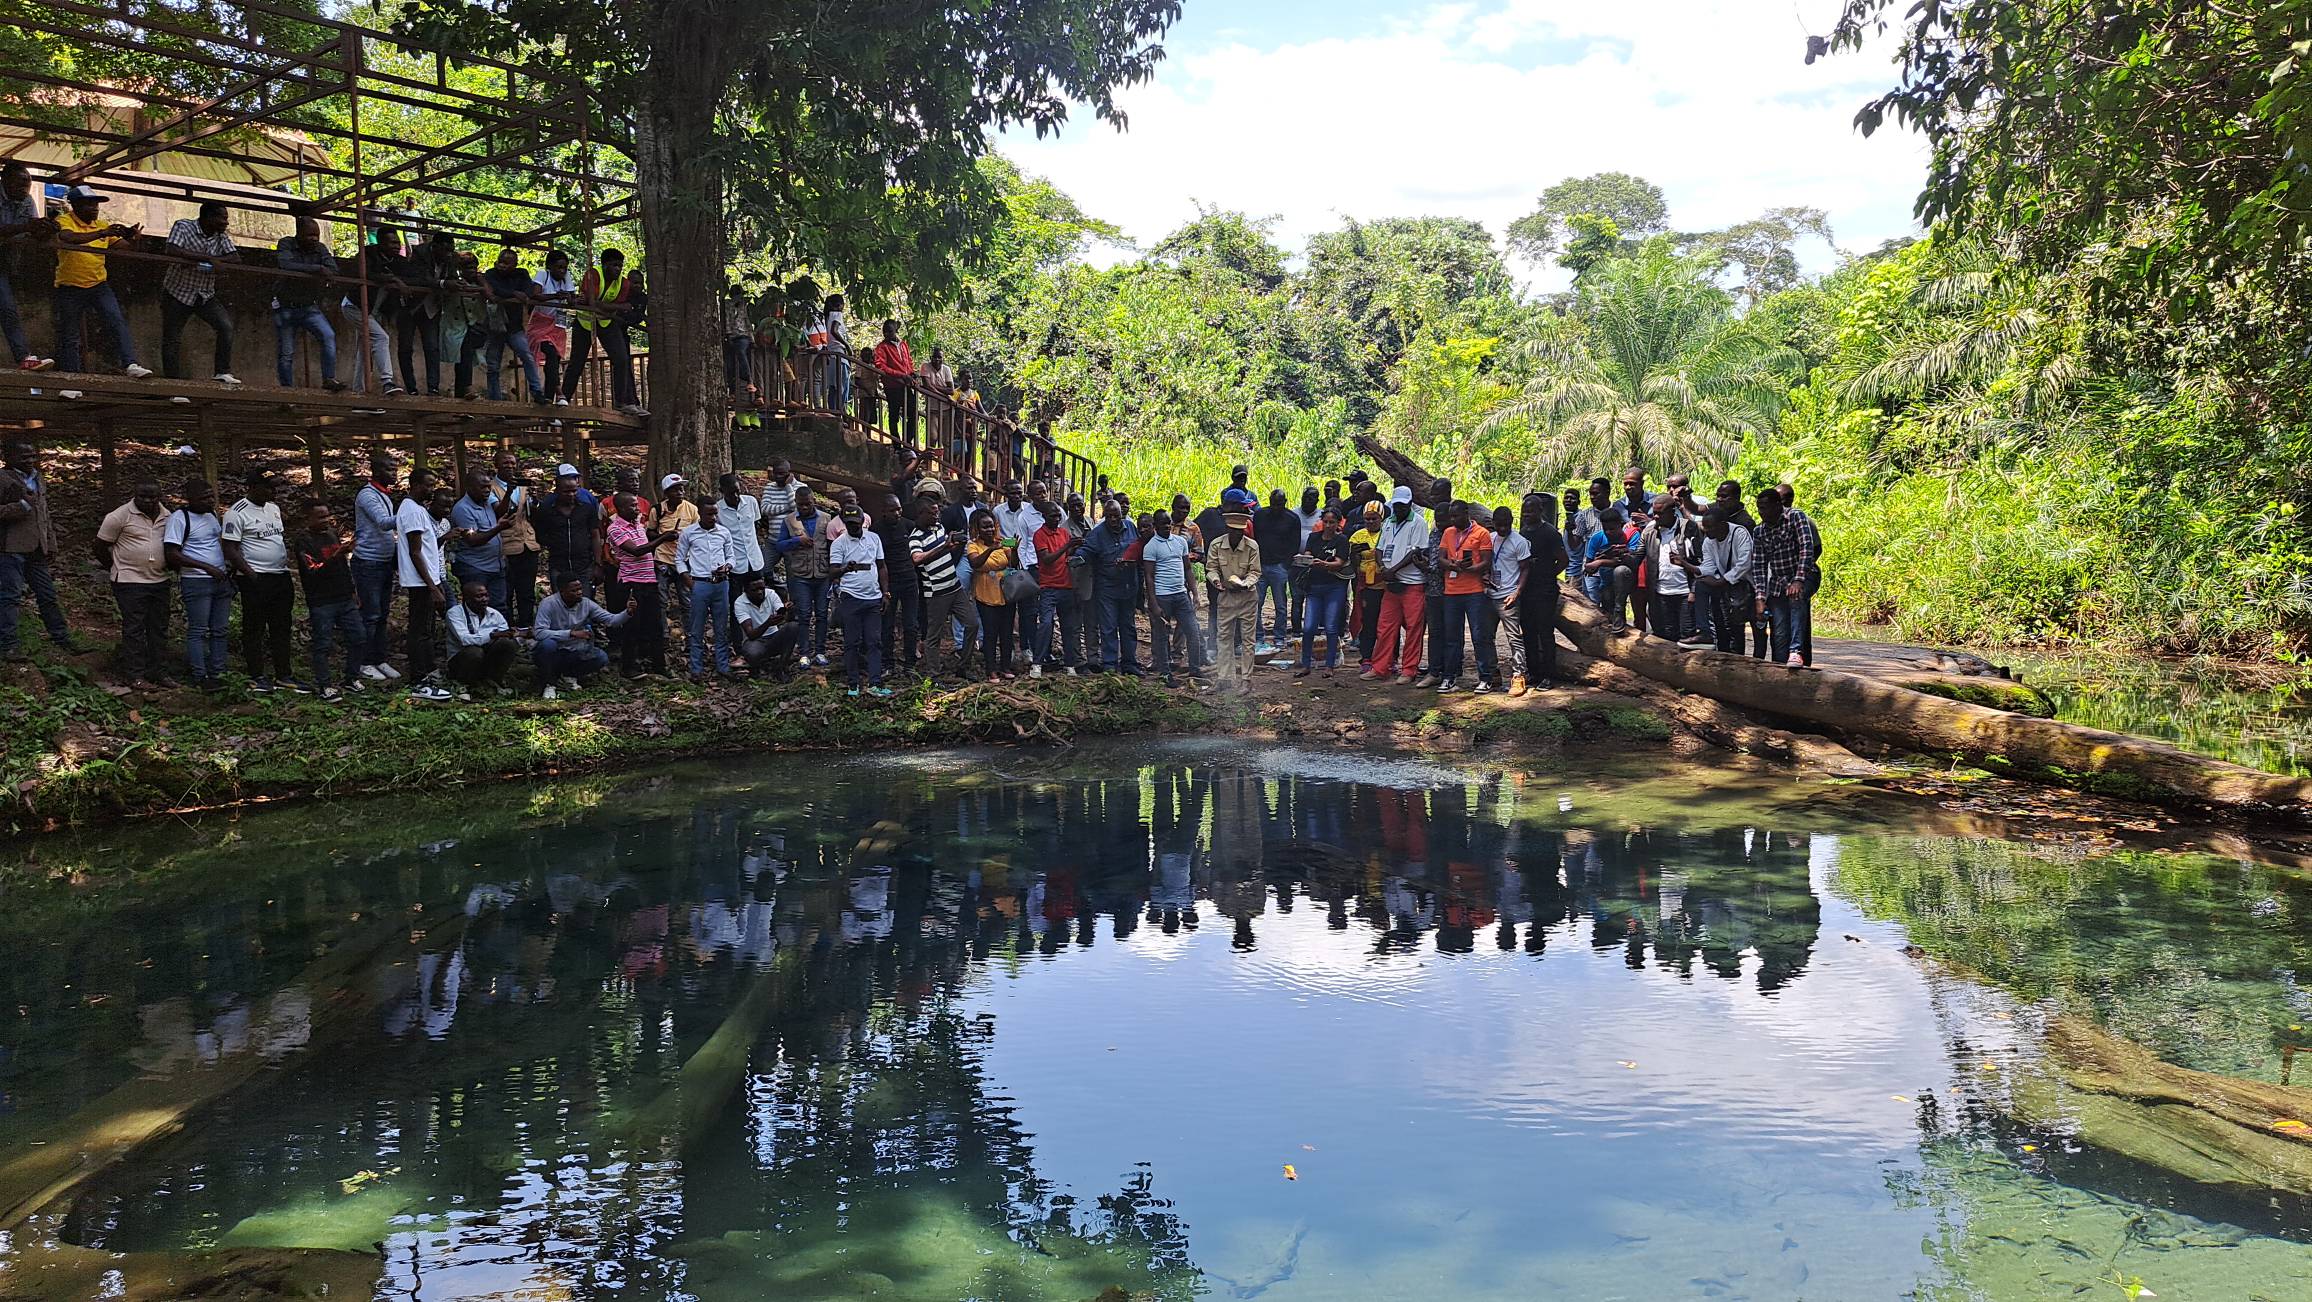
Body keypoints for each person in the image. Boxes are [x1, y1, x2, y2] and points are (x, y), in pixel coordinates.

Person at [51, 185, 149, 377]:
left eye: (96, 204)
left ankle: (130, 364)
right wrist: (101, 234)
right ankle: (72, 376)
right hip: (70, 286)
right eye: (89, 204)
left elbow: (124, 248)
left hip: (98, 285)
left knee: (116, 322)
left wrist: (134, 238)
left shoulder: (102, 225)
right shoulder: (64, 221)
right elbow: (69, 237)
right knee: (70, 334)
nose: (95, 208)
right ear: (76, 206)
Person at [222, 470, 297, 692]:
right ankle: (257, 674)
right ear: (253, 486)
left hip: (280, 576)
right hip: (255, 578)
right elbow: (229, 548)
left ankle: (284, 674)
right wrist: (251, 575)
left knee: (281, 626)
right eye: (268, 487)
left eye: (274, 487)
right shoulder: (236, 513)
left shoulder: (273, 508)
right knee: (254, 628)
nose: (273, 491)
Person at [0, 439, 75, 660]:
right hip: (9, 548)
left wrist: (50, 542)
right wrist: (22, 507)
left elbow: (44, 514)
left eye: (33, 456)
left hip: (37, 549)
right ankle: (8, 646)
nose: (30, 460)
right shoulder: (2, 479)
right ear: (8, 456)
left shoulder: (38, 478)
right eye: (24, 457)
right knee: (10, 597)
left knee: (48, 595)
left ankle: (62, 638)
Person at [93, 479, 171, 686]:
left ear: (159, 496)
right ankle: (134, 674)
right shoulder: (119, 516)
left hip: (159, 580)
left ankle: (158, 672)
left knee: (159, 628)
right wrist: (115, 565)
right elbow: (100, 546)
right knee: (134, 628)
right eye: (142, 496)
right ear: (134, 495)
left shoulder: (168, 516)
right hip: (129, 581)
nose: (147, 501)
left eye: (152, 497)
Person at [158, 200, 240, 383]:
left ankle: (222, 372)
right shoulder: (184, 226)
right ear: (208, 217)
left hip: (204, 294)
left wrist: (208, 262)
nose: (225, 223)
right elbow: (172, 249)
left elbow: (235, 258)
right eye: (221, 218)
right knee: (172, 338)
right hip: (177, 292)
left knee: (225, 327)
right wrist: (210, 259)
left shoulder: (220, 236)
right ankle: (173, 383)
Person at [161, 477, 231, 690]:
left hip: (220, 579)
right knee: (198, 629)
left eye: (211, 496)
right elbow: (172, 553)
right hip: (196, 580)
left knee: (220, 629)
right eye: (203, 498)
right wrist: (206, 567)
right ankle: (200, 675)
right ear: (189, 499)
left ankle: (218, 672)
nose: (209, 501)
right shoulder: (179, 518)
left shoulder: (211, 515)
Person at [294, 501, 364, 701]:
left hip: (344, 598)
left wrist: (352, 590)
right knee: (323, 644)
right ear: (308, 518)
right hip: (321, 601)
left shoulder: (332, 534)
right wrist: (335, 555)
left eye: (327, 515)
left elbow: (343, 566)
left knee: (358, 636)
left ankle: (351, 678)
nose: (326, 520)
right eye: (320, 517)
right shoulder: (303, 541)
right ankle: (324, 685)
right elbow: (312, 571)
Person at [564, 248, 645, 414]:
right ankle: (564, 397)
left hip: (606, 323)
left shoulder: (623, 283)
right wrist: (610, 306)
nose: (618, 269)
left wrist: (605, 306)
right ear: (605, 264)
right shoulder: (593, 275)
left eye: (620, 266)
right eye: (614, 265)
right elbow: (594, 303)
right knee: (577, 362)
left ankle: (621, 401)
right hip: (585, 323)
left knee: (622, 359)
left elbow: (623, 305)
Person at [397, 474, 455, 700]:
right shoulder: (412, 511)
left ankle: (426, 673)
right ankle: (419, 681)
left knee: (425, 630)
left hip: (428, 580)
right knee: (420, 631)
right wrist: (432, 586)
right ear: (415, 485)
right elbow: (415, 551)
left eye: (433, 484)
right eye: (428, 484)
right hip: (421, 582)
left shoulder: (416, 508)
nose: (432, 489)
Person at [271, 216, 345, 391]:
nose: (314, 239)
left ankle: (328, 378)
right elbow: (285, 264)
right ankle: (287, 390)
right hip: (286, 306)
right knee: (286, 352)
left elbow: (333, 269)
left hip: (308, 305)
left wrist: (320, 270)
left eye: (316, 235)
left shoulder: (320, 249)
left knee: (328, 336)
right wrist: (317, 269)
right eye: (310, 235)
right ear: (299, 234)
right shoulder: (286, 243)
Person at [908, 492, 977, 680]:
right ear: (921, 514)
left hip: (954, 587)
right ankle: (933, 674)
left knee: (972, 624)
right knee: (933, 636)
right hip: (936, 593)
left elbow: (944, 547)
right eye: (933, 513)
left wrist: (951, 545)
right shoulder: (915, 537)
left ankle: (963, 666)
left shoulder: (938, 527)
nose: (937, 516)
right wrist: (944, 548)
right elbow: (917, 558)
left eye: (938, 512)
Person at [1365, 486, 1429, 684]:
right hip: (1391, 584)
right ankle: (1380, 667)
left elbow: (1416, 552)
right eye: (1396, 505)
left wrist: (1395, 569)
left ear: (1410, 504)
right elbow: (1380, 549)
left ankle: (1409, 670)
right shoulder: (1389, 522)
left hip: (1412, 583)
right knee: (1385, 627)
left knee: (1413, 628)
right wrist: (1383, 567)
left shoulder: (1418, 523)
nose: (1399, 509)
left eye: (1402, 506)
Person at [532, 576, 634, 698]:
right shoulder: (548, 604)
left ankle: (569, 675)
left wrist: (627, 613)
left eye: (580, 589)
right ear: (562, 591)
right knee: (547, 644)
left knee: (601, 657)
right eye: (573, 591)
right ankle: (549, 684)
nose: (579, 593)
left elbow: (611, 620)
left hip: (574, 650)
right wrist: (570, 633)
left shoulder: (586, 603)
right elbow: (539, 633)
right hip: (554, 650)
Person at [1753, 488, 1822, 668]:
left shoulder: (1795, 517)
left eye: (1765, 508)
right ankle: (1780, 665)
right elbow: (1759, 566)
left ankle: (1797, 651)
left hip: (1805, 574)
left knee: (1796, 598)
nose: (1762, 513)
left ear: (1778, 506)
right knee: (1779, 631)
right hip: (1778, 582)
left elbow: (1807, 549)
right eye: (1759, 508)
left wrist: (1798, 580)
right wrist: (1760, 598)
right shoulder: (1760, 531)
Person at [1433, 500, 1494, 693]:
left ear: (1466, 513)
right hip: (1451, 591)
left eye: (1456, 516)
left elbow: (1486, 562)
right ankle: (1450, 677)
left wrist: (1469, 569)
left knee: (1479, 636)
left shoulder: (1481, 533)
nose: (1453, 520)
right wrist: (1452, 566)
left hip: (1474, 591)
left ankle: (1485, 677)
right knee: (1452, 637)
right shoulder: (1448, 532)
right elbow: (1440, 558)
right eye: (1451, 516)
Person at [1140, 507, 1206, 687]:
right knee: (1162, 636)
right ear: (1155, 526)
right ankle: (1165, 672)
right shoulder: (1151, 547)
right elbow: (1149, 576)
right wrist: (1153, 602)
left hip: (1180, 594)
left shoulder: (1180, 542)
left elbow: (1187, 569)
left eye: (1168, 524)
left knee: (1192, 631)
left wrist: (1195, 593)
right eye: (1162, 524)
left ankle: (1195, 669)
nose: (1167, 527)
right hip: (1162, 596)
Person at [605, 491, 668, 677]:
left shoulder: (638, 525)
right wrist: (662, 539)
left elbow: (645, 552)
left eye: (636, 504)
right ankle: (629, 667)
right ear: (621, 508)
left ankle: (659, 667)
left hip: (649, 581)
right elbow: (637, 551)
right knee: (632, 627)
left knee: (655, 627)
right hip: (631, 583)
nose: (637, 508)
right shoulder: (615, 529)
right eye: (632, 505)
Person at [676, 497, 740, 680]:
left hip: (721, 584)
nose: (713, 517)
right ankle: (696, 669)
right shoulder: (689, 533)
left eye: (715, 514)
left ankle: (722, 665)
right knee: (697, 628)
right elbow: (680, 558)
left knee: (721, 627)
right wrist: (688, 579)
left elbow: (731, 556)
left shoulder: (724, 532)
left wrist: (727, 567)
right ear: (700, 514)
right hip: (699, 584)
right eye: (709, 514)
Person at [351, 454, 402, 680]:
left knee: (382, 614)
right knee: (370, 615)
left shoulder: (385, 495)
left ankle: (379, 658)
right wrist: (412, 512)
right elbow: (383, 522)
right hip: (368, 562)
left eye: (395, 469)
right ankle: (364, 661)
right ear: (377, 471)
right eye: (390, 469)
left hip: (384, 562)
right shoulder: (367, 495)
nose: (395, 474)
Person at [830, 502, 889, 694]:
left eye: (856, 523)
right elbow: (832, 572)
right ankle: (853, 683)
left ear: (863, 521)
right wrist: (846, 569)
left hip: (873, 597)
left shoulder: (874, 538)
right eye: (849, 523)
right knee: (852, 642)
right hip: (851, 597)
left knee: (874, 641)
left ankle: (875, 682)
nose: (853, 526)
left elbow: (881, 566)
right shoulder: (839, 543)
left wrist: (885, 592)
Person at [772, 484, 835, 665]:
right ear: (796, 504)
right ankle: (804, 653)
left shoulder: (826, 518)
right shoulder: (789, 521)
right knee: (804, 614)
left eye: (807, 504)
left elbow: (833, 546)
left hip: (822, 574)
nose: (804, 508)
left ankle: (821, 651)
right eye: (800, 505)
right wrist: (797, 540)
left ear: (813, 501)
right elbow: (779, 545)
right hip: (801, 575)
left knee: (822, 614)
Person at [0, 162, 54, 371]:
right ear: (5, 181)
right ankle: (23, 355)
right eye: (20, 184)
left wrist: (45, 229)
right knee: (6, 308)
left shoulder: (27, 201)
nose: (25, 190)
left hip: (4, 260)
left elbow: (32, 232)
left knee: (7, 308)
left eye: (28, 185)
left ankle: (24, 357)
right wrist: (26, 227)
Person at [1681, 505, 1755, 655]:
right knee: (1702, 587)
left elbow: (1744, 563)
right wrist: (1686, 565)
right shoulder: (1709, 541)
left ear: (1722, 525)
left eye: (1710, 527)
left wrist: (1722, 581)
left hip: (1744, 585)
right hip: (1723, 584)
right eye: (1705, 527)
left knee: (1737, 627)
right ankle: (1704, 632)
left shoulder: (1739, 534)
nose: (1706, 531)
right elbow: (1708, 566)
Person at [336, 230, 402, 395]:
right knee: (381, 337)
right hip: (355, 306)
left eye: (397, 242)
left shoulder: (398, 261)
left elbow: (413, 277)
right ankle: (387, 381)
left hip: (370, 310)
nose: (396, 246)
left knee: (364, 350)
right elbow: (364, 273)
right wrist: (390, 278)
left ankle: (359, 391)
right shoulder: (368, 254)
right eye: (392, 243)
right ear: (381, 244)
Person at [1081, 497, 1140, 675]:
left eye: (1116, 516)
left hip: (1129, 585)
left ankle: (1129, 663)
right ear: (1105, 516)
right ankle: (1110, 664)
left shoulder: (1131, 527)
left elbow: (1139, 548)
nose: (1113, 520)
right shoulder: (1098, 533)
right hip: (1107, 587)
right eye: (1109, 517)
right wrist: (1077, 558)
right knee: (1108, 626)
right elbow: (1087, 550)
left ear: (1122, 515)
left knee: (1128, 625)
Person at [1518, 492, 1568, 692]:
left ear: (1540, 511)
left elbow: (1563, 560)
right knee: (1528, 632)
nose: (1527, 514)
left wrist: (1548, 574)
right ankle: (1533, 671)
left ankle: (1548, 675)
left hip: (1545, 591)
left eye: (1531, 511)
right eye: (1524, 511)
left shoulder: (1549, 533)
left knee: (1545, 633)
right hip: (1526, 590)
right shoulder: (1523, 532)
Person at [481, 247, 546, 402]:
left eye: (507, 263)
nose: (502, 265)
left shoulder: (521, 273)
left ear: (514, 265)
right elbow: (496, 290)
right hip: (496, 325)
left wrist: (513, 293)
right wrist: (514, 293)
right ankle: (495, 399)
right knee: (493, 365)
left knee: (527, 356)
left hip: (514, 326)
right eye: (501, 261)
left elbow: (529, 290)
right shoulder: (491, 273)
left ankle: (537, 392)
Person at [392, 230, 449, 396]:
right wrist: (444, 284)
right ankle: (411, 388)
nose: (447, 254)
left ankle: (433, 388)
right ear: (435, 247)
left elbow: (452, 276)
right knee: (405, 347)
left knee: (432, 347)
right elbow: (422, 279)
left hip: (431, 307)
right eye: (445, 250)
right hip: (410, 305)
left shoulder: (449, 259)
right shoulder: (419, 253)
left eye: (449, 250)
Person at [1208, 507, 1261, 686]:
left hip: (1247, 597)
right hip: (1226, 596)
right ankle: (1224, 678)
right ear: (1227, 529)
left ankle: (1246, 679)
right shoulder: (1216, 545)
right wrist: (1215, 581)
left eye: (1240, 531)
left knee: (1247, 640)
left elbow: (1255, 572)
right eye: (1233, 530)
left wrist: (1245, 583)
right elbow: (1211, 568)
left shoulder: (1252, 546)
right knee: (1223, 637)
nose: (1236, 534)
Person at [967, 509, 1022, 679]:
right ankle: (991, 669)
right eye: (985, 527)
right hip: (986, 595)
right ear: (977, 528)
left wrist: (1014, 550)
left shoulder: (1003, 541)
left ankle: (1006, 667)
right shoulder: (973, 545)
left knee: (1006, 632)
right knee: (990, 633)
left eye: (991, 526)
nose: (989, 530)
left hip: (1006, 594)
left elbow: (1013, 564)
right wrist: (990, 549)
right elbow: (976, 563)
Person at [1483, 504, 1532, 695]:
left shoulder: (1519, 542)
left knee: (1514, 638)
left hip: (1508, 596)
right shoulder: (1490, 539)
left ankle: (1519, 675)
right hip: (1489, 594)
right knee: (1486, 636)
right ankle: (1493, 674)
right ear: (1494, 524)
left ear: (1512, 522)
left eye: (1506, 524)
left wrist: (1517, 592)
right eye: (1499, 525)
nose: (1503, 528)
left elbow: (1525, 568)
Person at [449, 469, 513, 614]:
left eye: (489, 487)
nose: (487, 490)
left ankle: (500, 635)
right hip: (475, 567)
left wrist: (508, 493)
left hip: (496, 566)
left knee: (499, 607)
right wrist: (499, 528)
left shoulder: (487, 502)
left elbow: (500, 513)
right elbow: (472, 539)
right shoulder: (462, 509)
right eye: (482, 487)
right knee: (476, 608)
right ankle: (474, 636)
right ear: (470, 488)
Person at [1029, 501, 1082, 677]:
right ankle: (1038, 663)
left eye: (1059, 515)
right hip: (1048, 587)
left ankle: (1070, 664)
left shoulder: (1064, 533)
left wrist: (1075, 548)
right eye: (1053, 515)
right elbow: (1047, 559)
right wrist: (1067, 546)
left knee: (1069, 626)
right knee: (1045, 624)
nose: (1057, 518)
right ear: (1044, 516)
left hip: (1066, 586)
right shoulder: (1039, 535)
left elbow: (1066, 556)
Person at [1296, 506, 1349, 677]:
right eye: (1325, 522)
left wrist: (1325, 565)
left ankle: (1329, 665)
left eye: (1331, 522)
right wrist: (1305, 560)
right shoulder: (1313, 537)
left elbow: (1340, 562)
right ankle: (1305, 664)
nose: (1328, 525)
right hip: (1314, 586)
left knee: (1331, 627)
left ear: (1338, 523)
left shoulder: (1341, 541)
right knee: (1309, 627)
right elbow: (1308, 554)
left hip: (1334, 587)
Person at [444, 579, 519, 699]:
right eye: (479, 596)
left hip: (487, 656)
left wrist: (515, 634)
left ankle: (493, 680)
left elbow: (504, 634)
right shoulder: (455, 614)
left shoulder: (494, 614)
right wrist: (492, 635)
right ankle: (462, 684)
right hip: (461, 659)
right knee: (474, 652)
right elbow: (465, 640)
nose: (484, 599)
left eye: (486, 595)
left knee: (508, 643)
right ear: (467, 598)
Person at [532, 465, 599, 596]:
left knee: (585, 602)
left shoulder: (586, 508)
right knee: (561, 604)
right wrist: (555, 543)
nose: (571, 495)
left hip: (583, 565)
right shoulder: (547, 508)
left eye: (574, 491)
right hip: (559, 565)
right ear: (557, 489)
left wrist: (598, 564)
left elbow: (595, 534)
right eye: (566, 492)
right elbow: (540, 533)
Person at [872, 492, 921, 671]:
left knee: (911, 624)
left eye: (899, 509)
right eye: (893, 510)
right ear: (884, 511)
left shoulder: (908, 525)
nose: (897, 513)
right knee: (887, 624)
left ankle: (910, 662)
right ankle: (887, 662)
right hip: (889, 582)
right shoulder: (876, 530)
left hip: (909, 580)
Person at [491, 453, 541, 627]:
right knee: (506, 591)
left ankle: (526, 626)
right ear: (496, 464)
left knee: (526, 591)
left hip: (528, 544)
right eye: (505, 462)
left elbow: (532, 515)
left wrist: (535, 500)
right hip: (506, 546)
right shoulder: (491, 487)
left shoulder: (523, 487)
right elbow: (498, 512)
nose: (510, 466)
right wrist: (509, 491)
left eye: (513, 463)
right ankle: (507, 627)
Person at [1641, 496, 1695, 643]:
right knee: (1665, 636)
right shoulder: (1649, 532)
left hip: (1685, 592)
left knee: (1687, 636)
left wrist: (1694, 591)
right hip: (1661, 594)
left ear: (1672, 512)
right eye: (1654, 513)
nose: (1656, 517)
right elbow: (1636, 557)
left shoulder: (1689, 528)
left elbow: (1701, 561)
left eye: (1660, 513)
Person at [1251, 489, 1299, 651]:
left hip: (1279, 566)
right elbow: (1254, 537)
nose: (1276, 507)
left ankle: (1280, 637)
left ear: (1285, 502)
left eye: (1279, 504)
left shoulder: (1292, 519)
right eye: (1273, 504)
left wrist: (1285, 565)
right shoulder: (1260, 515)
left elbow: (1295, 543)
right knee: (1256, 603)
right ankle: (1258, 636)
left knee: (1280, 605)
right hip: (1260, 565)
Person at [653, 474, 699, 634]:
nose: (680, 492)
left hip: (684, 561)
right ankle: (663, 635)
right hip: (662, 559)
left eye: (681, 489)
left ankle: (691, 635)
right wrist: (664, 536)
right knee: (660, 600)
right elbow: (649, 532)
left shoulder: (691, 509)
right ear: (666, 493)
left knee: (686, 600)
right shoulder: (658, 510)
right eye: (675, 490)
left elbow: (698, 533)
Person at [529, 248, 576, 402]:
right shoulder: (543, 275)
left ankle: (549, 397)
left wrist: (569, 297)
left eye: (564, 268)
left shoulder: (566, 277)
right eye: (559, 267)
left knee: (554, 358)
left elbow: (572, 299)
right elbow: (535, 294)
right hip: (540, 323)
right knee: (548, 351)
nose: (562, 271)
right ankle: (558, 391)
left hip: (557, 324)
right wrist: (555, 295)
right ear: (550, 266)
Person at [732, 574, 802, 678]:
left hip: (774, 637)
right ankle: (756, 667)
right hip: (755, 641)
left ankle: (781, 667)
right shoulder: (740, 603)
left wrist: (787, 611)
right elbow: (751, 635)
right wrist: (767, 623)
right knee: (753, 652)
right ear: (746, 590)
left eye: (762, 588)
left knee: (793, 626)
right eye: (754, 590)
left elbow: (781, 613)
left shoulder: (771, 594)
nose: (760, 592)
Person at [1580, 507, 1638, 632]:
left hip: (1630, 579)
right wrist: (1599, 559)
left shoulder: (1631, 536)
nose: (1608, 532)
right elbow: (1589, 566)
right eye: (1605, 529)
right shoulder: (1597, 538)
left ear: (1620, 525)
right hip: (1606, 582)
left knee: (1620, 571)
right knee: (1607, 605)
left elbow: (1631, 561)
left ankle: (1619, 610)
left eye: (1612, 529)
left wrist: (1601, 561)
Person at [1346, 499, 1385, 669]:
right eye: (1367, 519)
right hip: (1366, 584)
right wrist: (1354, 554)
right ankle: (1367, 657)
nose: (1370, 522)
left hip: (1385, 584)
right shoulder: (1358, 535)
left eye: (1373, 519)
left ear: (1381, 518)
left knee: (1386, 623)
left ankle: (1389, 657)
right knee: (1368, 621)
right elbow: (1353, 563)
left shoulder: (1387, 533)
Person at [872, 319, 916, 436]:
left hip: (905, 384)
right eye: (884, 332)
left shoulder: (903, 345)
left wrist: (911, 373)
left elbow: (909, 362)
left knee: (913, 413)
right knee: (894, 415)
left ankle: (907, 442)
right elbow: (881, 367)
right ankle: (897, 445)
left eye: (889, 331)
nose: (886, 334)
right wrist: (901, 375)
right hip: (892, 385)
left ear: (896, 331)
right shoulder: (881, 347)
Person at [816, 293, 851, 415]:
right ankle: (840, 412)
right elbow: (834, 331)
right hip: (839, 354)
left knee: (833, 387)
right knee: (841, 386)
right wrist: (847, 346)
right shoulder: (837, 315)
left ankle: (833, 412)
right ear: (840, 305)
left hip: (831, 356)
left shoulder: (826, 317)